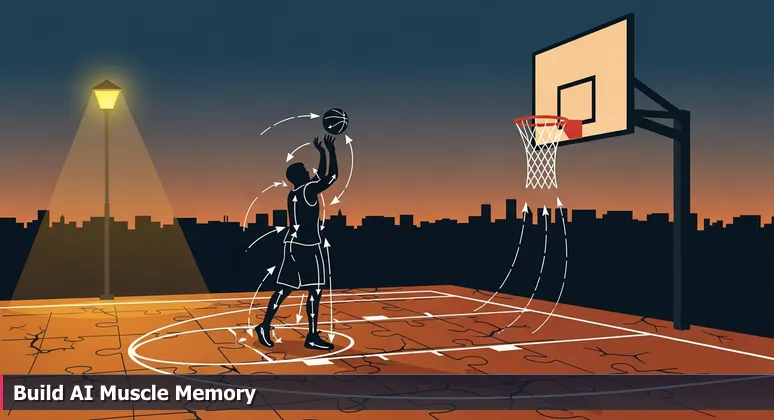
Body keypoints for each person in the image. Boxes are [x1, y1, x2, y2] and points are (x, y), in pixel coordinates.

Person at [256, 134, 338, 350]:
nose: (307, 171)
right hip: (309, 248)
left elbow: (320, 176)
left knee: (284, 288)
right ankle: (311, 336)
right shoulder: (309, 190)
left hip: (292, 245)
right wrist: (331, 151)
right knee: (315, 290)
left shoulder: (295, 192)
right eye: (304, 170)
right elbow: (332, 176)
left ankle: (264, 325)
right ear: (299, 176)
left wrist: (321, 153)